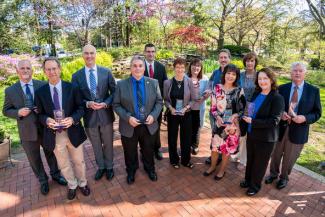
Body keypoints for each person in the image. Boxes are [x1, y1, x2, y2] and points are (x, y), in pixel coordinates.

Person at [2, 59, 67, 195]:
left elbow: (51, 105)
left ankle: (56, 175)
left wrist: (44, 110)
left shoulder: (42, 85)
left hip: (45, 128)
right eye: (22, 68)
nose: (25, 70)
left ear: (32, 70)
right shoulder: (10, 90)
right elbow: (6, 110)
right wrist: (18, 112)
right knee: (34, 158)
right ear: (17, 71)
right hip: (26, 131)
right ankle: (43, 181)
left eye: (28, 68)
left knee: (51, 153)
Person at [35, 57, 89, 200]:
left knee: (79, 161)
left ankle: (83, 183)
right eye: (48, 69)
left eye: (54, 68)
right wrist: (46, 120)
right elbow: (39, 114)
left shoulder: (72, 88)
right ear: (44, 71)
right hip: (55, 134)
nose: (52, 72)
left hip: (73, 131)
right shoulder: (40, 92)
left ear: (59, 69)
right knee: (63, 163)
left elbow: (81, 108)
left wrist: (72, 119)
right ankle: (72, 185)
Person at [265, 62, 322, 189]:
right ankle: (273, 174)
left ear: (305, 73)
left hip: (299, 131)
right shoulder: (282, 88)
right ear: (291, 73)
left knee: (290, 158)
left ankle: (284, 178)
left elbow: (317, 113)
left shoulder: (313, 91)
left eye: (300, 71)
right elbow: (275, 106)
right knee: (275, 154)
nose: (297, 73)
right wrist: (281, 113)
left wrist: (305, 118)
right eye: (295, 70)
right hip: (280, 128)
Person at [113, 56, 163, 184]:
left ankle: (150, 169)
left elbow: (159, 102)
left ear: (144, 67)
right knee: (130, 152)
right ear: (130, 67)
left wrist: (154, 115)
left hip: (148, 124)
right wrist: (128, 117)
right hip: (129, 125)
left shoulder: (153, 83)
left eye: (140, 65)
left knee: (148, 149)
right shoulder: (121, 84)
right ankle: (131, 170)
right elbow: (116, 104)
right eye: (134, 66)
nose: (137, 68)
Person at [72, 44, 116, 181]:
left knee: (108, 142)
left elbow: (114, 92)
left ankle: (109, 167)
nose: (89, 56)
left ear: (95, 54)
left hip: (105, 114)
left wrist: (106, 103)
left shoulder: (106, 72)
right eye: (86, 53)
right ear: (82, 55)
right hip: (89, 116)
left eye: (92, 53)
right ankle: (101, 167)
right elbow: (76, 98)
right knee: (95, 144)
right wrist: (87, 103)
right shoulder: (76, 76)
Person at [240, 68, 284, 196]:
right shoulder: (256, 93)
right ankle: (248, 180)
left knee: (260, 163)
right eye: (260, 79)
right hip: (252, 133)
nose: (262, 81)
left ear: (271, 80)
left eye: (265, 78)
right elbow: (250, 109)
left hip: (266, 138)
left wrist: (253, 122)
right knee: (251, 159)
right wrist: (245, 116)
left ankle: (255, 186)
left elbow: (274, 121)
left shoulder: (277, 98)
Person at [203, 64, 245, 180]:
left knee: (226, 149)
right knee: (215, 148)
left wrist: (235, 115)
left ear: (236, 77)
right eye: (228, 73)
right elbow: (212, 108)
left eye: (233, 74)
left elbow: (242, 110)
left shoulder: (239, 91)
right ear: (224, 74)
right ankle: (212, 167)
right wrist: (217, 117)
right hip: (219, 124)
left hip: (231, 127)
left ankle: (222, 170)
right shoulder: (217, 88)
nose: (230, 76)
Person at [164, 57, 198, 169]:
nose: (179, 70)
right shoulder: (167, 83)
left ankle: (185, 160)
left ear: (185, 68)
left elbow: (194, 99)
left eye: (182, 67)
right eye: (177, 67)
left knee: (186, 138)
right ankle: (174, 160)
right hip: (172, 114)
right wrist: (170, 108)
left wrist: (186, 108)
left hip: (186, 113)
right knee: (172, 137)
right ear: (174, 68)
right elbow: (166, 100)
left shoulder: (189, 82)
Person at [206, 49, 232, 165]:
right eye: (221, 57)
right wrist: (208, 91)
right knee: (214, 133)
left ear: (229, 59)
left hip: (227, 112)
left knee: (224, 135)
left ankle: (221, 156)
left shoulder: (233, 74)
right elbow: (210, 85)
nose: (223, 60)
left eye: (225, 57)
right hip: (214, 111)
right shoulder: (215, 73)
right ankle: (214, 155)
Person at [143, 43, 168, 160]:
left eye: (152, 51)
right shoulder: (139, 66)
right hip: (143, 106)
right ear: (144, 53)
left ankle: (157, 148)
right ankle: (143, 149)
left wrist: (162, 100)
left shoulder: (161, 67)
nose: (150, 54)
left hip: (157, 105)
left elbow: (165, 85)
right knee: (143, 129)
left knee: (156, 127)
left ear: (155, 53)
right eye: (148, 51)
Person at [237, 52, 258, 171]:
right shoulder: (240, 75)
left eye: (252, 61)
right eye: (247, 61)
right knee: (240, 133)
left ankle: (243, 159)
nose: (249, 63)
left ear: (255, 62)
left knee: (247, 135)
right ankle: (237, 154)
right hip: (240, 107)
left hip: (253, 108)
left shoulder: (259, 75)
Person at [187, 58, 209, 155]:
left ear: (201, 68)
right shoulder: (185, 77)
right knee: (187, 126)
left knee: (197, 127)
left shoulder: (205, 78)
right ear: (190, 66)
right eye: (194, 65)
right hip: (188, 107)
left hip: (200, 106)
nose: (196, 67)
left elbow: (208, 91)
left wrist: (204, 97)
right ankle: (186, 144)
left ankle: (195, 146)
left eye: (198, 66)